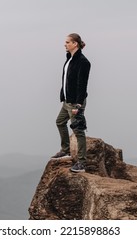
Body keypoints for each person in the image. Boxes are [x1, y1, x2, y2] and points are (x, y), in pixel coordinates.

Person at [51, 33, 91, 173]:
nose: (65, 44)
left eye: (68, 42)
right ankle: (66, 150)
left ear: (75, 44)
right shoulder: (69, 59)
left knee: (78, 131)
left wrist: (79, 105)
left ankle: (81, 163)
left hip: (75, 102)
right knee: (60, 122)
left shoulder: (83, 62)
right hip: (67, 101)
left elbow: (82, 84)